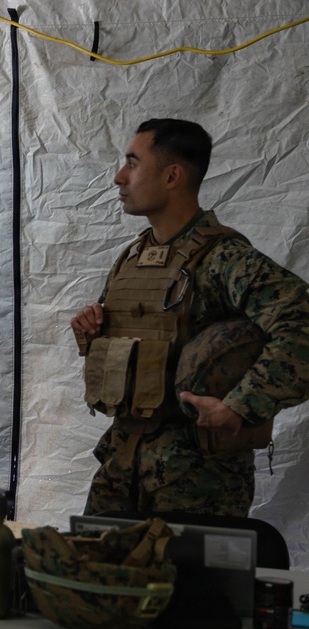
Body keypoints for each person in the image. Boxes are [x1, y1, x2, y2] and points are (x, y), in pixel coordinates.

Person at [71, 118, 309, 516]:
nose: (118, 177)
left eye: (132, 163)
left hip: (196, 482)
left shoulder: (223, 258)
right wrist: (92, 329)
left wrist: (242, 405)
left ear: (172, 176)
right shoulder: (133, 257)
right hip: (121, 467)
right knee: (94, 575)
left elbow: (301, 322)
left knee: (190, 582)